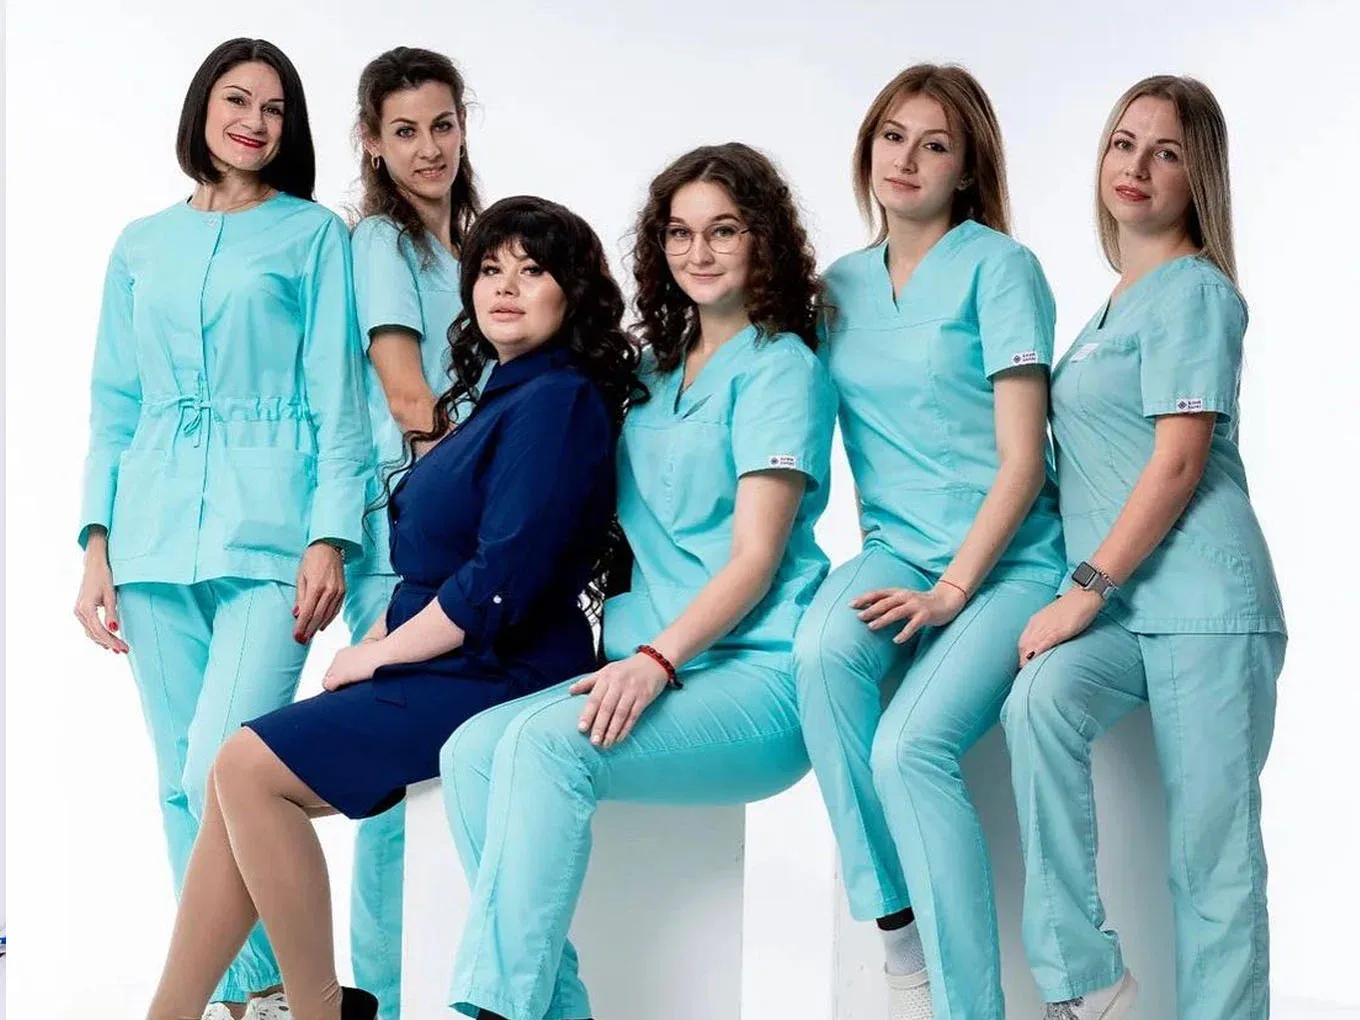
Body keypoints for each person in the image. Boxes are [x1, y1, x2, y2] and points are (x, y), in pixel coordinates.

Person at [141, 195, 638, 1020]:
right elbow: (426, 565)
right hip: (449, 658)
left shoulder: (558, 401)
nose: (504, 286)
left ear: (572, 292)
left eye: (532, 271)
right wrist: (373, 643)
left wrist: (376, 654)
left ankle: (318, 1009)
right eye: (490, 269)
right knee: (239, 781)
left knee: (246, 768)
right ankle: (170, 1015)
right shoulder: (500, 397)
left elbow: (498, 581)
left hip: (502, 670)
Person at [440, 142, 837, 1020]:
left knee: (546, 749)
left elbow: (755, 558)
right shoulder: (653, 373)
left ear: (763, 240)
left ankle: (494, 1011)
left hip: (751, 674)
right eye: (679, 233)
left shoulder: (782, 369)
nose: (699, 252)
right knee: (469, 751)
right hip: (645, 668)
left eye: (723, 230)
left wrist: (656, 659)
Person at [73, 37, 370, 1020]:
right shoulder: (141, 244)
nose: (254, 121)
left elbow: (337, 396)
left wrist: (330, 533)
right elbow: (114, 404)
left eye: (274, 108)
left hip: (271, 534)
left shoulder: (312, 236)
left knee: (222, 765)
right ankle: (249, 999)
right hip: (152, 536)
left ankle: (280, 991)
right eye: (237, 99)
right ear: (202, 107)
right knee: (177, 781)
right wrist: (96, 542)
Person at [1000, 75, 1287, 1020]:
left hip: (1205, 604)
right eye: (1124, 144)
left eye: (1166, 152)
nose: (1137, 166)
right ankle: (1085, 980)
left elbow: (1178, 463)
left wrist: (1084, 588)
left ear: (1198, 177)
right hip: (1131, 606)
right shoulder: (1114, 307)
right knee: (1038, 702)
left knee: (1212, 860)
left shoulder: (1196, 293)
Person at [793, 64, 1065, 1020]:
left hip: (1010, 562)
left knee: (908, 750)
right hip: (894, 550)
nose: (906, 159)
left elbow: (1024, 462)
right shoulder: (836, 290)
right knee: (819, 651)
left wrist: (952, 591)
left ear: (967, 169)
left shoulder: (1001, 268)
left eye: (934, 144)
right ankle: (895, 921)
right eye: (892, 135)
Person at [343, 46, 482, 1020]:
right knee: (390, 783)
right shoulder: (383, 245)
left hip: (475, 536)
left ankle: (432, 986)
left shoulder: (475, 248)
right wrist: (493, 488)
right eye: (405, 131)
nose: (428, 148)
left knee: (445, 769)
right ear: (372, 142)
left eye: (442, 124)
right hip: (411, 532)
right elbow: (406, 396)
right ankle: (380, 998)